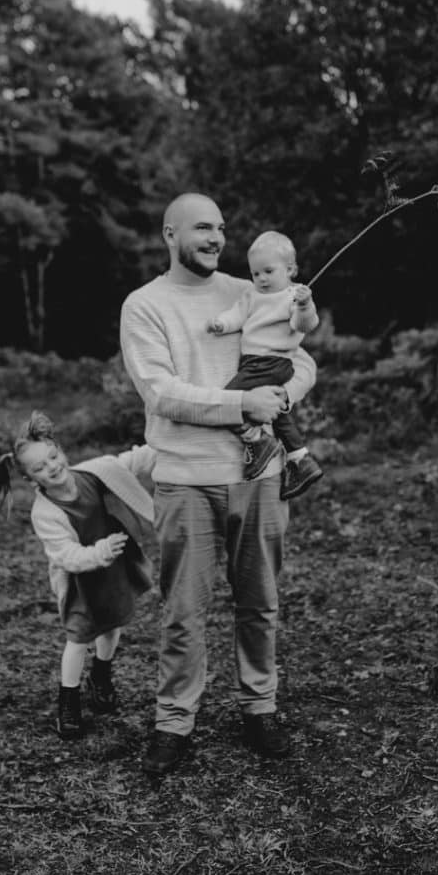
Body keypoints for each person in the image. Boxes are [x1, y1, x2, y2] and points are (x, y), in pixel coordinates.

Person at [120, 192, 317, 774]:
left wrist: (280, 398)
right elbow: (161, 392)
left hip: (259, 475)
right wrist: (241, 403)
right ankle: (174, 723)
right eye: (202, 228)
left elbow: (301, 361)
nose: (215, 238)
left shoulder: (251, 289)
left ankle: (260, 708)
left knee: (260, 603)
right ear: (169, 234)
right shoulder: (144, 305)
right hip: (184, 479)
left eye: (221, 228)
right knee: (183, 610)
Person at [0, 411, 157, 740]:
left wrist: (164, 445)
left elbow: (130, 461)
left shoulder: (94, 473)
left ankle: (101, 675)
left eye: (53, 457)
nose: (52, 468)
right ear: (31, 479)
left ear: (59, 450)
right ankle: (68, 699)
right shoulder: (46, 512)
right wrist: (99, 551)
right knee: (78, 639)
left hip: (112, 569)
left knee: (113, 623)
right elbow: (66, 555)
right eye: (40, 468)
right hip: (80, 582)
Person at [207, 228, 323, 500]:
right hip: (255, 363)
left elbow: (303, 325)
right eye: (256, 273)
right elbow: (237, 316)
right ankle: (300, 459)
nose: (261, 278)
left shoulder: (293, 296)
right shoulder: (251, 296)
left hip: (273, 361)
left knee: (228, 400)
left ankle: (258, 441)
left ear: (290, 269)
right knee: (277, 412)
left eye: (268, 271)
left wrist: (305, 306)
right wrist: (222, 323)